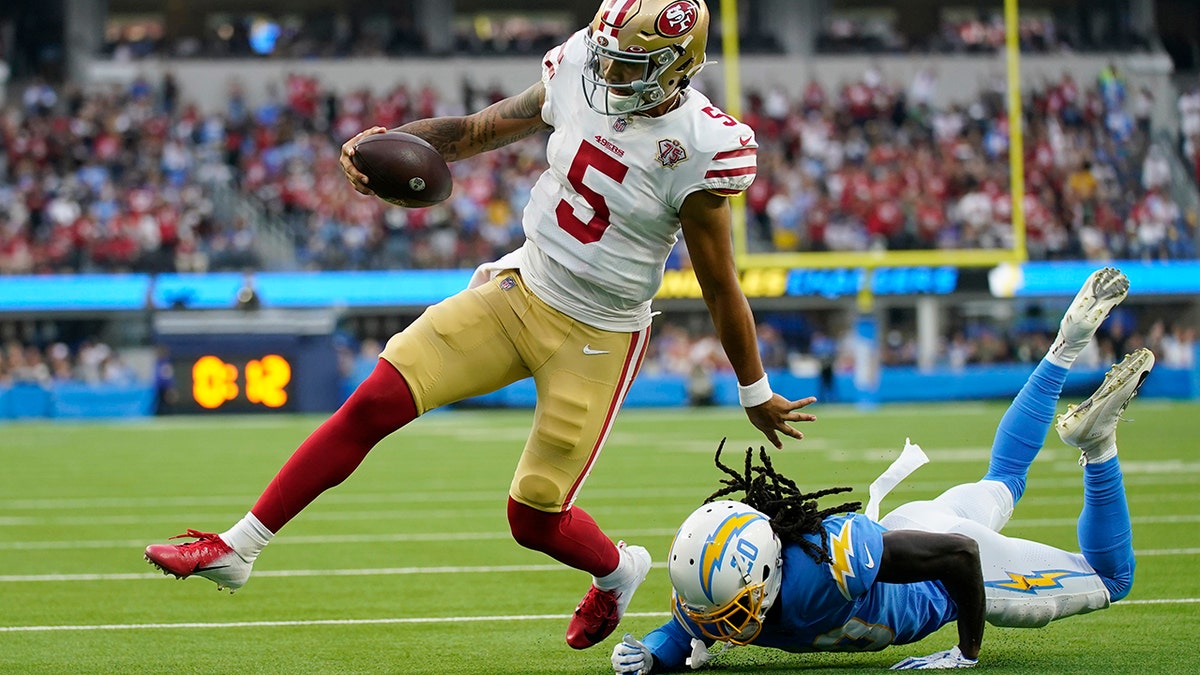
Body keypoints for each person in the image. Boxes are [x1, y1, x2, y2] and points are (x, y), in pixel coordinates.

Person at [143, 0, 816, 652]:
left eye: (629, 66)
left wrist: (754, 389)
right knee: (373, 401)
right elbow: (476, 130)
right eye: (607, 58)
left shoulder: (703, 146)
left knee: (532, 516)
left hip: (598, 334)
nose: (608, 75)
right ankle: (238, 546)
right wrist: (395, 142)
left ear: (678, 66)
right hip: (520, 287)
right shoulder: (581, 64)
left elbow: (720, 282)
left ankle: (616, 572)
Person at [612, 267, 1151, 671]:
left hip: (948, 569)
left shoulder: (830, 564)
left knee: (1113, 579)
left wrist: (965, 654)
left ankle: (1098, 446)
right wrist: (652, 657)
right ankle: (1067, 343)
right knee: (1003, 480)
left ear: (770, 572)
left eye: (727, 610)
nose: (716, 623)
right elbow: (681, 630)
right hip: (912, 524)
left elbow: (962, 556)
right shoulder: (722, 580)